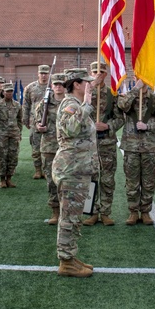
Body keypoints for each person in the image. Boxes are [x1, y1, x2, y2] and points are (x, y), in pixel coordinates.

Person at [52, 69, 97, 278]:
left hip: (80, 169)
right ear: (77, 84)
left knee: (76, 215)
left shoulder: (77, 105)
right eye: (87, 82)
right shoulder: (71, 104)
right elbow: (70, 129)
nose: (91, 84)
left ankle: (70, 255)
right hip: (71, 170)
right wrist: (87, 106)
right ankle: (66, 261)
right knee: (69, 217)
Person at [84, 61, 123, 226]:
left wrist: (108, 126)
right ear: (90, 74)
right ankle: (91, 212)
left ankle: (106, 212)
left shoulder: (111, 94)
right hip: (88, 144)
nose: (98, 74)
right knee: (90, 178)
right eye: (94, 71)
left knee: (107, 179)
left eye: (101, 71)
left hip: (106, 142)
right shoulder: (84, 94)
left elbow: (120, 118)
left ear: (106, 74)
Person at [118, 80, 155, 225]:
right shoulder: (128, 97)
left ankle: (145, 211)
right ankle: (133, 211)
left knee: (149, 182)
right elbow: (122, 106)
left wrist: (147, 126)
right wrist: (135, 89)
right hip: (131, 146)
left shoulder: (154, 99)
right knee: (132, 182)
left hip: (149, 147)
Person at [36, 73, 66, 224]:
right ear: (52, 86)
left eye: (61, 84)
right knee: (51, 181)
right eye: (56, 84)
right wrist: (39, 126)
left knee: (67, 180)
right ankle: (55, 211)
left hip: (67, 147)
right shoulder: (45, 103)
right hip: (49, 146)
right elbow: (37, 120)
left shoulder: (70, 102)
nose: (58, 87)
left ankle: (67, 212)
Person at [0, 82, 23, 188]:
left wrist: (19, 132)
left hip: (13, 135)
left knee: (13, 156)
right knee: (2, 157)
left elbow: (19, 120)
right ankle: (2, 179)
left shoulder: (17, 105)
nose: (9, 93)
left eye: (11, 91)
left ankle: (9, 178)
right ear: (3, 92)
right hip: (1, 135)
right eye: (7, 91)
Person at [22, 64, 51, 180]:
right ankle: (38, 170)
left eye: (46, 73)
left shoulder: (53, 87)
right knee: (35, 148)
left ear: (49, 74)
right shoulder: (30, 87)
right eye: (41, 73)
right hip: (35, 122)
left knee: (50, 148)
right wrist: (25, 119)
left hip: (50, 122)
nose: (44, 76)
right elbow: (26, 105)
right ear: (38, 74)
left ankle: (47, 169)